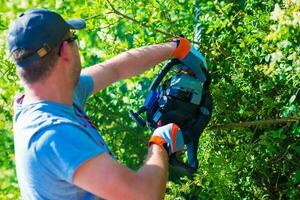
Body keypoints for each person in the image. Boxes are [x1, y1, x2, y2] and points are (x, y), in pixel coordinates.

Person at [8, 8, 194, 200]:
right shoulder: (52, 133)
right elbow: (144, 195)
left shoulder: (53, 94)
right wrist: (160, 144)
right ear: (65, 51)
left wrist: (176, 48)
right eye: (73, 38)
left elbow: (115, 69)